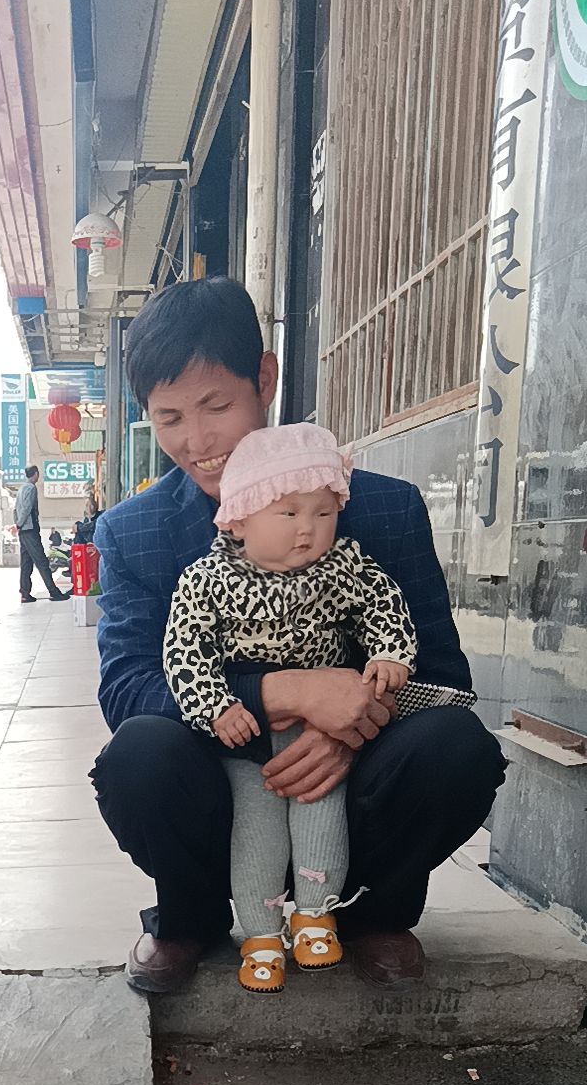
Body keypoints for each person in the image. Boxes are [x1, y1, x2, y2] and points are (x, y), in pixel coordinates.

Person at [91, 276, 506, 995]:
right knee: (138, 754)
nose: (197, 441)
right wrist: (285, 694)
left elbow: (443, 676)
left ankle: (370, 914)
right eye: (169, 418)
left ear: (265, 379)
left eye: (216, 406)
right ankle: (190, 918)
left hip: (354, 787)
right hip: (224, 780)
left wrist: (351, 728)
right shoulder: (134, 533)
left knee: (457, 747)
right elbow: (128, 690)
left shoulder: (384, 509)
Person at [163, 423, 416, 994]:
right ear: (238, 519)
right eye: (288, 513)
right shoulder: (208, 580)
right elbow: (184, 649)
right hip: (250, 733)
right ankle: (259, 934)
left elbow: (384, 605)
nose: (308, 529)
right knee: (257, 828)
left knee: (320, 812)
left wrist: (389, 654)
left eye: (323, 513)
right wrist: (214, 705)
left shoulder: (343, 567)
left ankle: (315, 916)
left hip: (321, 729)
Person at [14, 465, 70, 603]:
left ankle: (25, 593)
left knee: (26, 563)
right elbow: (27, 508)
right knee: (42, 561)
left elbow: (15, 510)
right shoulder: (31, 488)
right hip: (30, 529)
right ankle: (53, 592)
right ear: (35, 474)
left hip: (23, 531)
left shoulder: (21, 489)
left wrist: (17, 524)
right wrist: (20, 523)